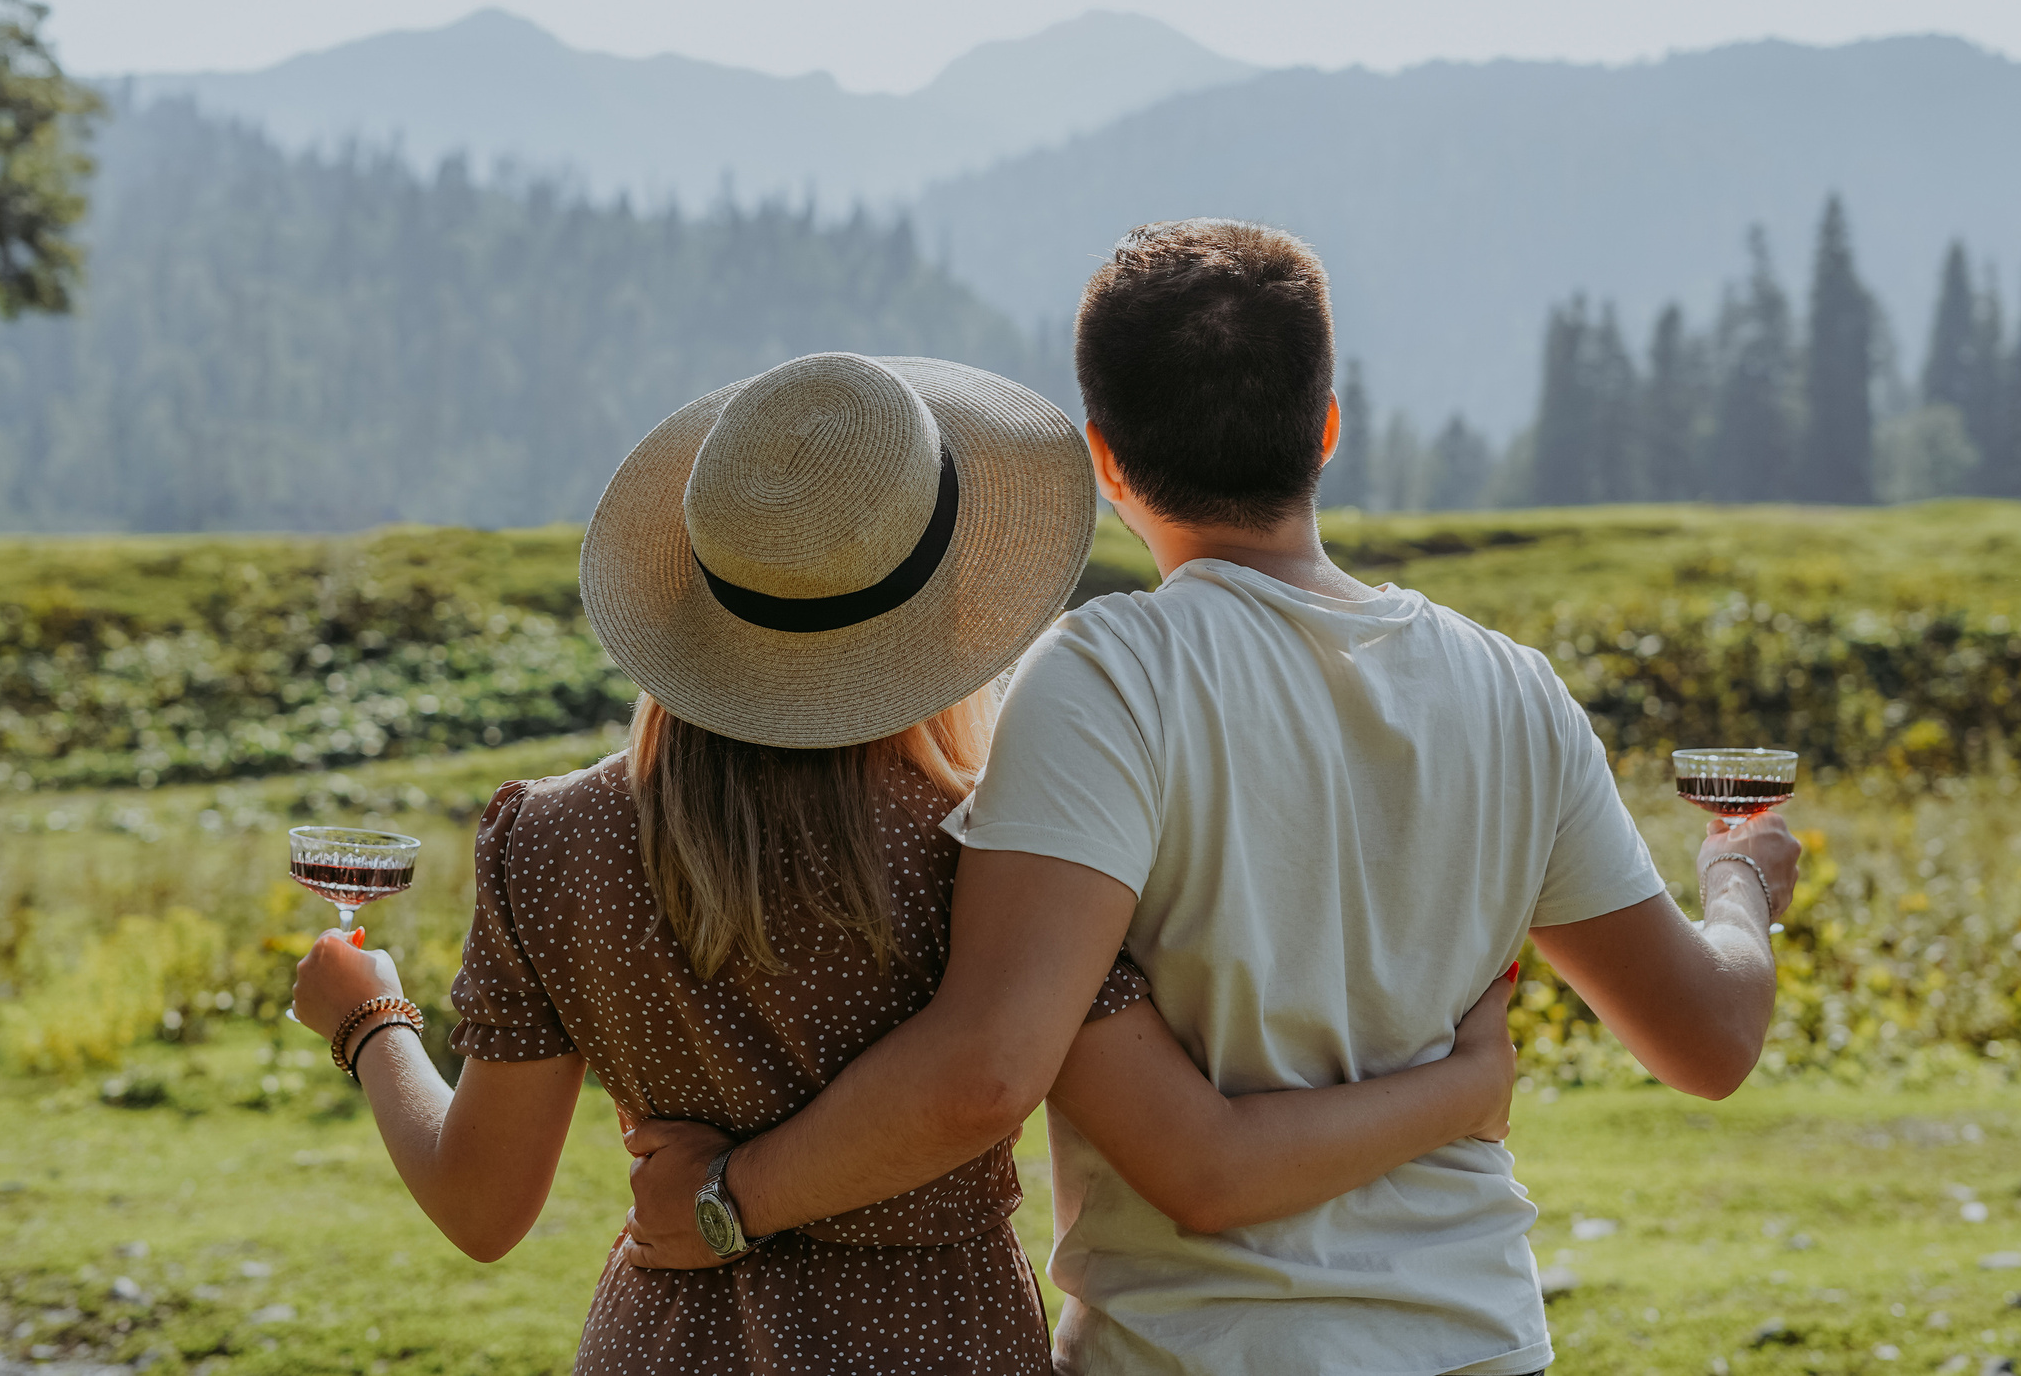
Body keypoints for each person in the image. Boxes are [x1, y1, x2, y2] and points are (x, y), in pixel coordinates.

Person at [623, 225, 1804, 1376]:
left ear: (1105, 459)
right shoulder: (1513, 688)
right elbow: (1708, 1041)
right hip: (1477, 1337)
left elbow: (990, 1064)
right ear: (1326, 430)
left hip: (1195, 1348)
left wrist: (729, 1196)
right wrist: (1737, 881)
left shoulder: (1106, 675)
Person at [290, 350, 1527, 1376]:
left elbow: (482, 1206)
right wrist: (1455, 1081)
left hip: (665, 1342)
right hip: (942, 1343)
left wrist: (373, 1021)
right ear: (943, 602)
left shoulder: (550, 844)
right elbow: (1184, 1148)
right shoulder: (994, 853)